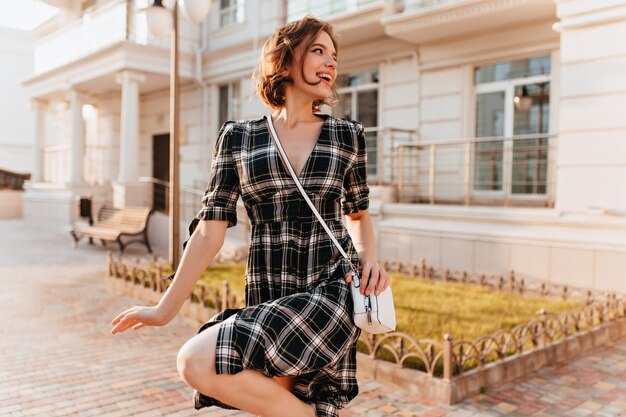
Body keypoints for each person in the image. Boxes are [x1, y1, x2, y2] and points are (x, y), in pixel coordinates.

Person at [110, 15, 390, 417]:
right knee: (262, 396)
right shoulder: (239, 138)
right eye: (317, 51)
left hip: (329, 288)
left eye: (334, 55)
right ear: (286, 57)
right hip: (268, 288)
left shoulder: (348, 135)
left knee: (196, 360)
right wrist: (163, 310)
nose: (330, 62)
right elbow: (209, 232)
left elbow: (358, 213)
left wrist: (371, 261)